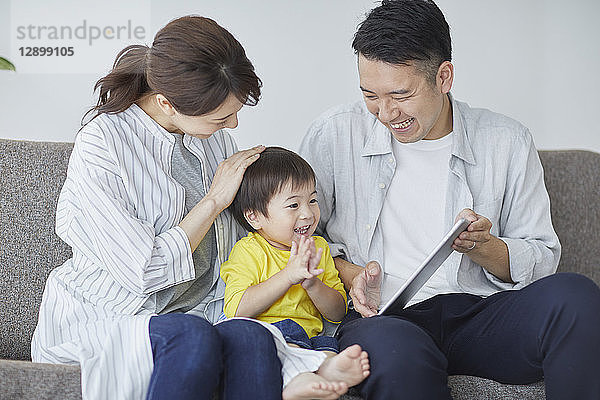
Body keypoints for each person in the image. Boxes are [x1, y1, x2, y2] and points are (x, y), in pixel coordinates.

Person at [299, 1, 600, 399]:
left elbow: (541, 258)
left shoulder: (506, 140)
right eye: (370, 95)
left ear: (443, 77)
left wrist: (486, 248)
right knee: (397, 352)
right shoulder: (334, 134)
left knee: (575, 298)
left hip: (479, 313)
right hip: (384, 318)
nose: (385, 113)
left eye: (400, 94)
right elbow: (295, 238)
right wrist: (354, 277)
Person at [32, 15, 289, 400]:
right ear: (166, 103)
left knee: (252, 338)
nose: (233, 125)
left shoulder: (210, 137)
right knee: (193, 337)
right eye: (221, 117)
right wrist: (215, 199)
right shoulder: (103, 144)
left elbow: (250, 232)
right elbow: (144, 270)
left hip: (205, 307)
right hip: (114, 317)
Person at [221, 146, 370, 400]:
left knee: (327, 346)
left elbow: (337, 313)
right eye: (293, 205)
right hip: (268, 336)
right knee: (280, 341)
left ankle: (322, 368)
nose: (307, 213)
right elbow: (237, 311)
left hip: (310, 337)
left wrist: (312, 284)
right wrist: (289, 275)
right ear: (254, 217)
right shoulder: (249, 251)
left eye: (312, 200)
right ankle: (301, 378)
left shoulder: (319, 247)